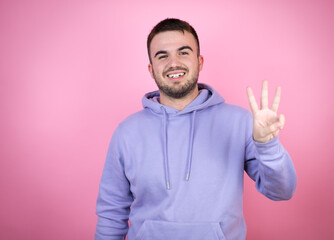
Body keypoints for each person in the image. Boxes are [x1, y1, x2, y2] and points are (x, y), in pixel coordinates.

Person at [95, 18, 297, 240]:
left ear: (200, 61)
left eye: (184, 52)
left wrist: (267, 146)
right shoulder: (127, 132)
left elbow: (281, 191)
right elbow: (111, 214)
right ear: (151, 69)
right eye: (163, 56)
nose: (174, 63)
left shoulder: (239, 122)